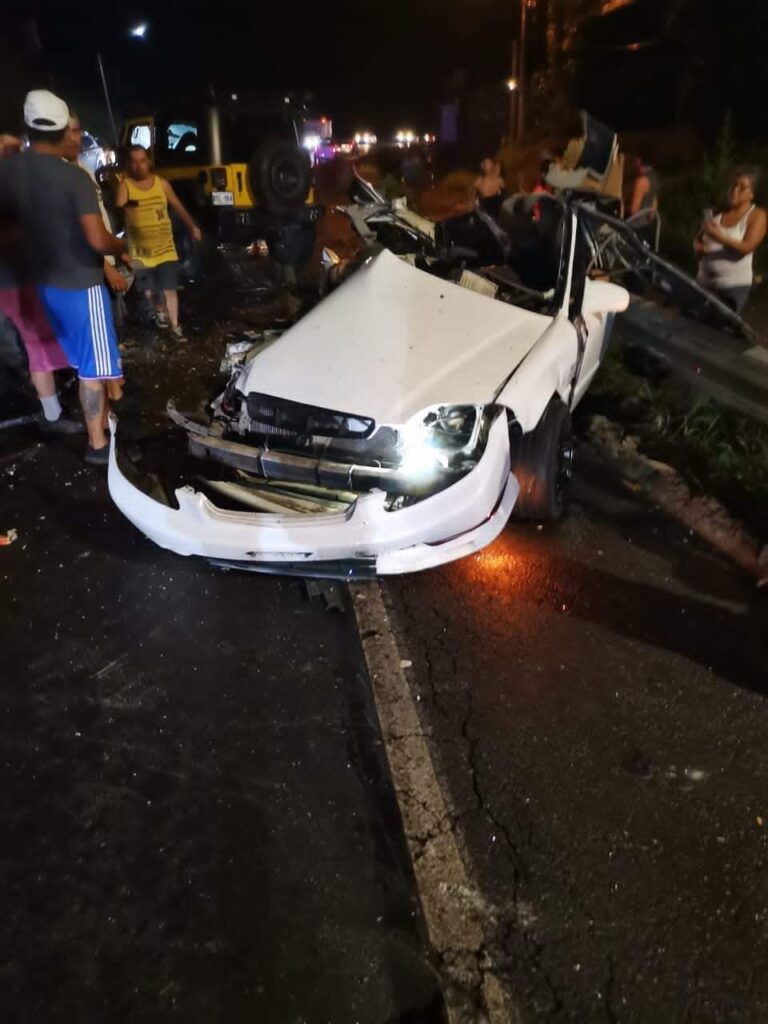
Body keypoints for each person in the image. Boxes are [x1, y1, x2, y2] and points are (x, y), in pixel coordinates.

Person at [0, 90, 131, 464]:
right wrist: (119, 248)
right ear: (62, 132)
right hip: (78, 283)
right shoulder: (72, 177)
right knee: (94, 366)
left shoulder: (7, 172)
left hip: (35, 284)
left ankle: (67, 418)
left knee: (54, 357)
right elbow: (95, 237)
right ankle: (97, 443)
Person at [0, 115, 81, 434]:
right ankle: (51, 414)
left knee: (36, 344)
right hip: (14, 280)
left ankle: (51, 402)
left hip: (26, 277)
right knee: (36, 347)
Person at [116, 145, 201, 343]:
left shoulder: (161, 184)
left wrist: (192, 226)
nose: (139, 166)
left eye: (142, 161)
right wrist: (127, 208)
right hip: (141, 252)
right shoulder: (125, 185)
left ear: (149, 162)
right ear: (130, 164)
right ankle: (158, 309)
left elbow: (178, 206)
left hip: (165, 247)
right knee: (149, 290)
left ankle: (175, 326)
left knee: (170, 288)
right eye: (134, 162)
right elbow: (119, 205)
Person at [695, 167, 767, 314]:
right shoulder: (718, 211)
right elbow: (698, 239)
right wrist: (698, 248)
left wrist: (720, 237)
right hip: (703, 283)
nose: (735, 190)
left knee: (714, 331)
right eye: (734, 185)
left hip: (731, 289)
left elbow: (747, 247)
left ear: (752, 193)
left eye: (742, 188)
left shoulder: (757, 215)